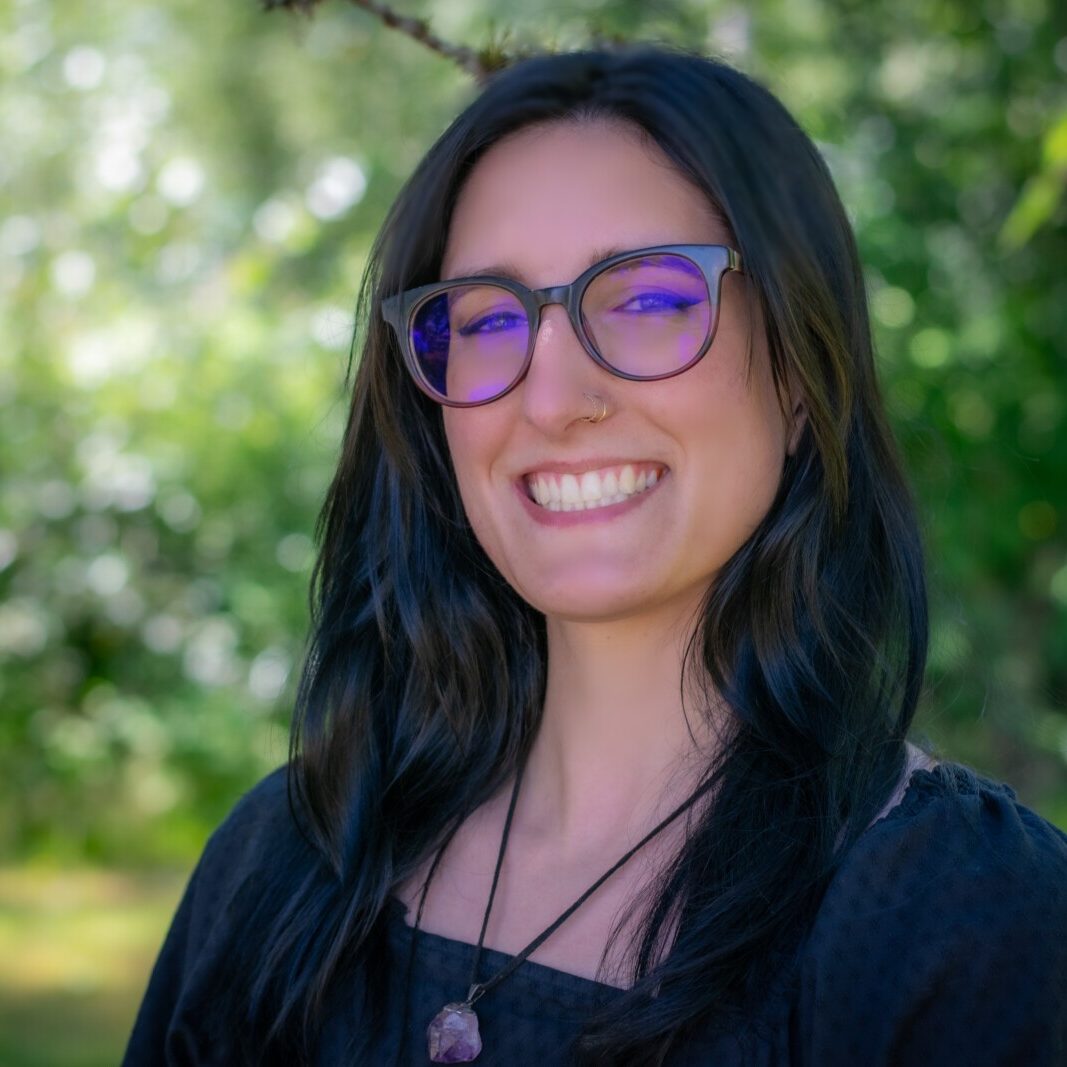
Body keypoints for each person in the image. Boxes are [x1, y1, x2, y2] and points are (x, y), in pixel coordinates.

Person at [122, 44, 1067, 1066]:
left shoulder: (970, 923)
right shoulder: (285, 860)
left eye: (649, 300)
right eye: (488, 318)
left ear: (799, 373)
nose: (552, 399)